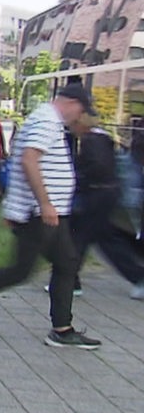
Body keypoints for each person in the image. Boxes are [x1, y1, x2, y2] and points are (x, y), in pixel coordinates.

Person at [0, 85, 101, 350]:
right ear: (72, 103)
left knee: (67, 262)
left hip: (48, 212)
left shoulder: (47, 120)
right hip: (39, 213)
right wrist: (45, 203)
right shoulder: (47, 121)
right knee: (20, 270)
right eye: (81, 111)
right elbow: (29, 160)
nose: (79, 117)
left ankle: (62, 329)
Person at [46, 114, 144, 300]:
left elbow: (96, 168)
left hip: (96, 196)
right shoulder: (103, 138)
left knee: (80, 237)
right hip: (105, 195)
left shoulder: (92, 141)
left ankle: (69, 280)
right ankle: (136, 276)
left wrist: (80, 179)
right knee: (102, 239)